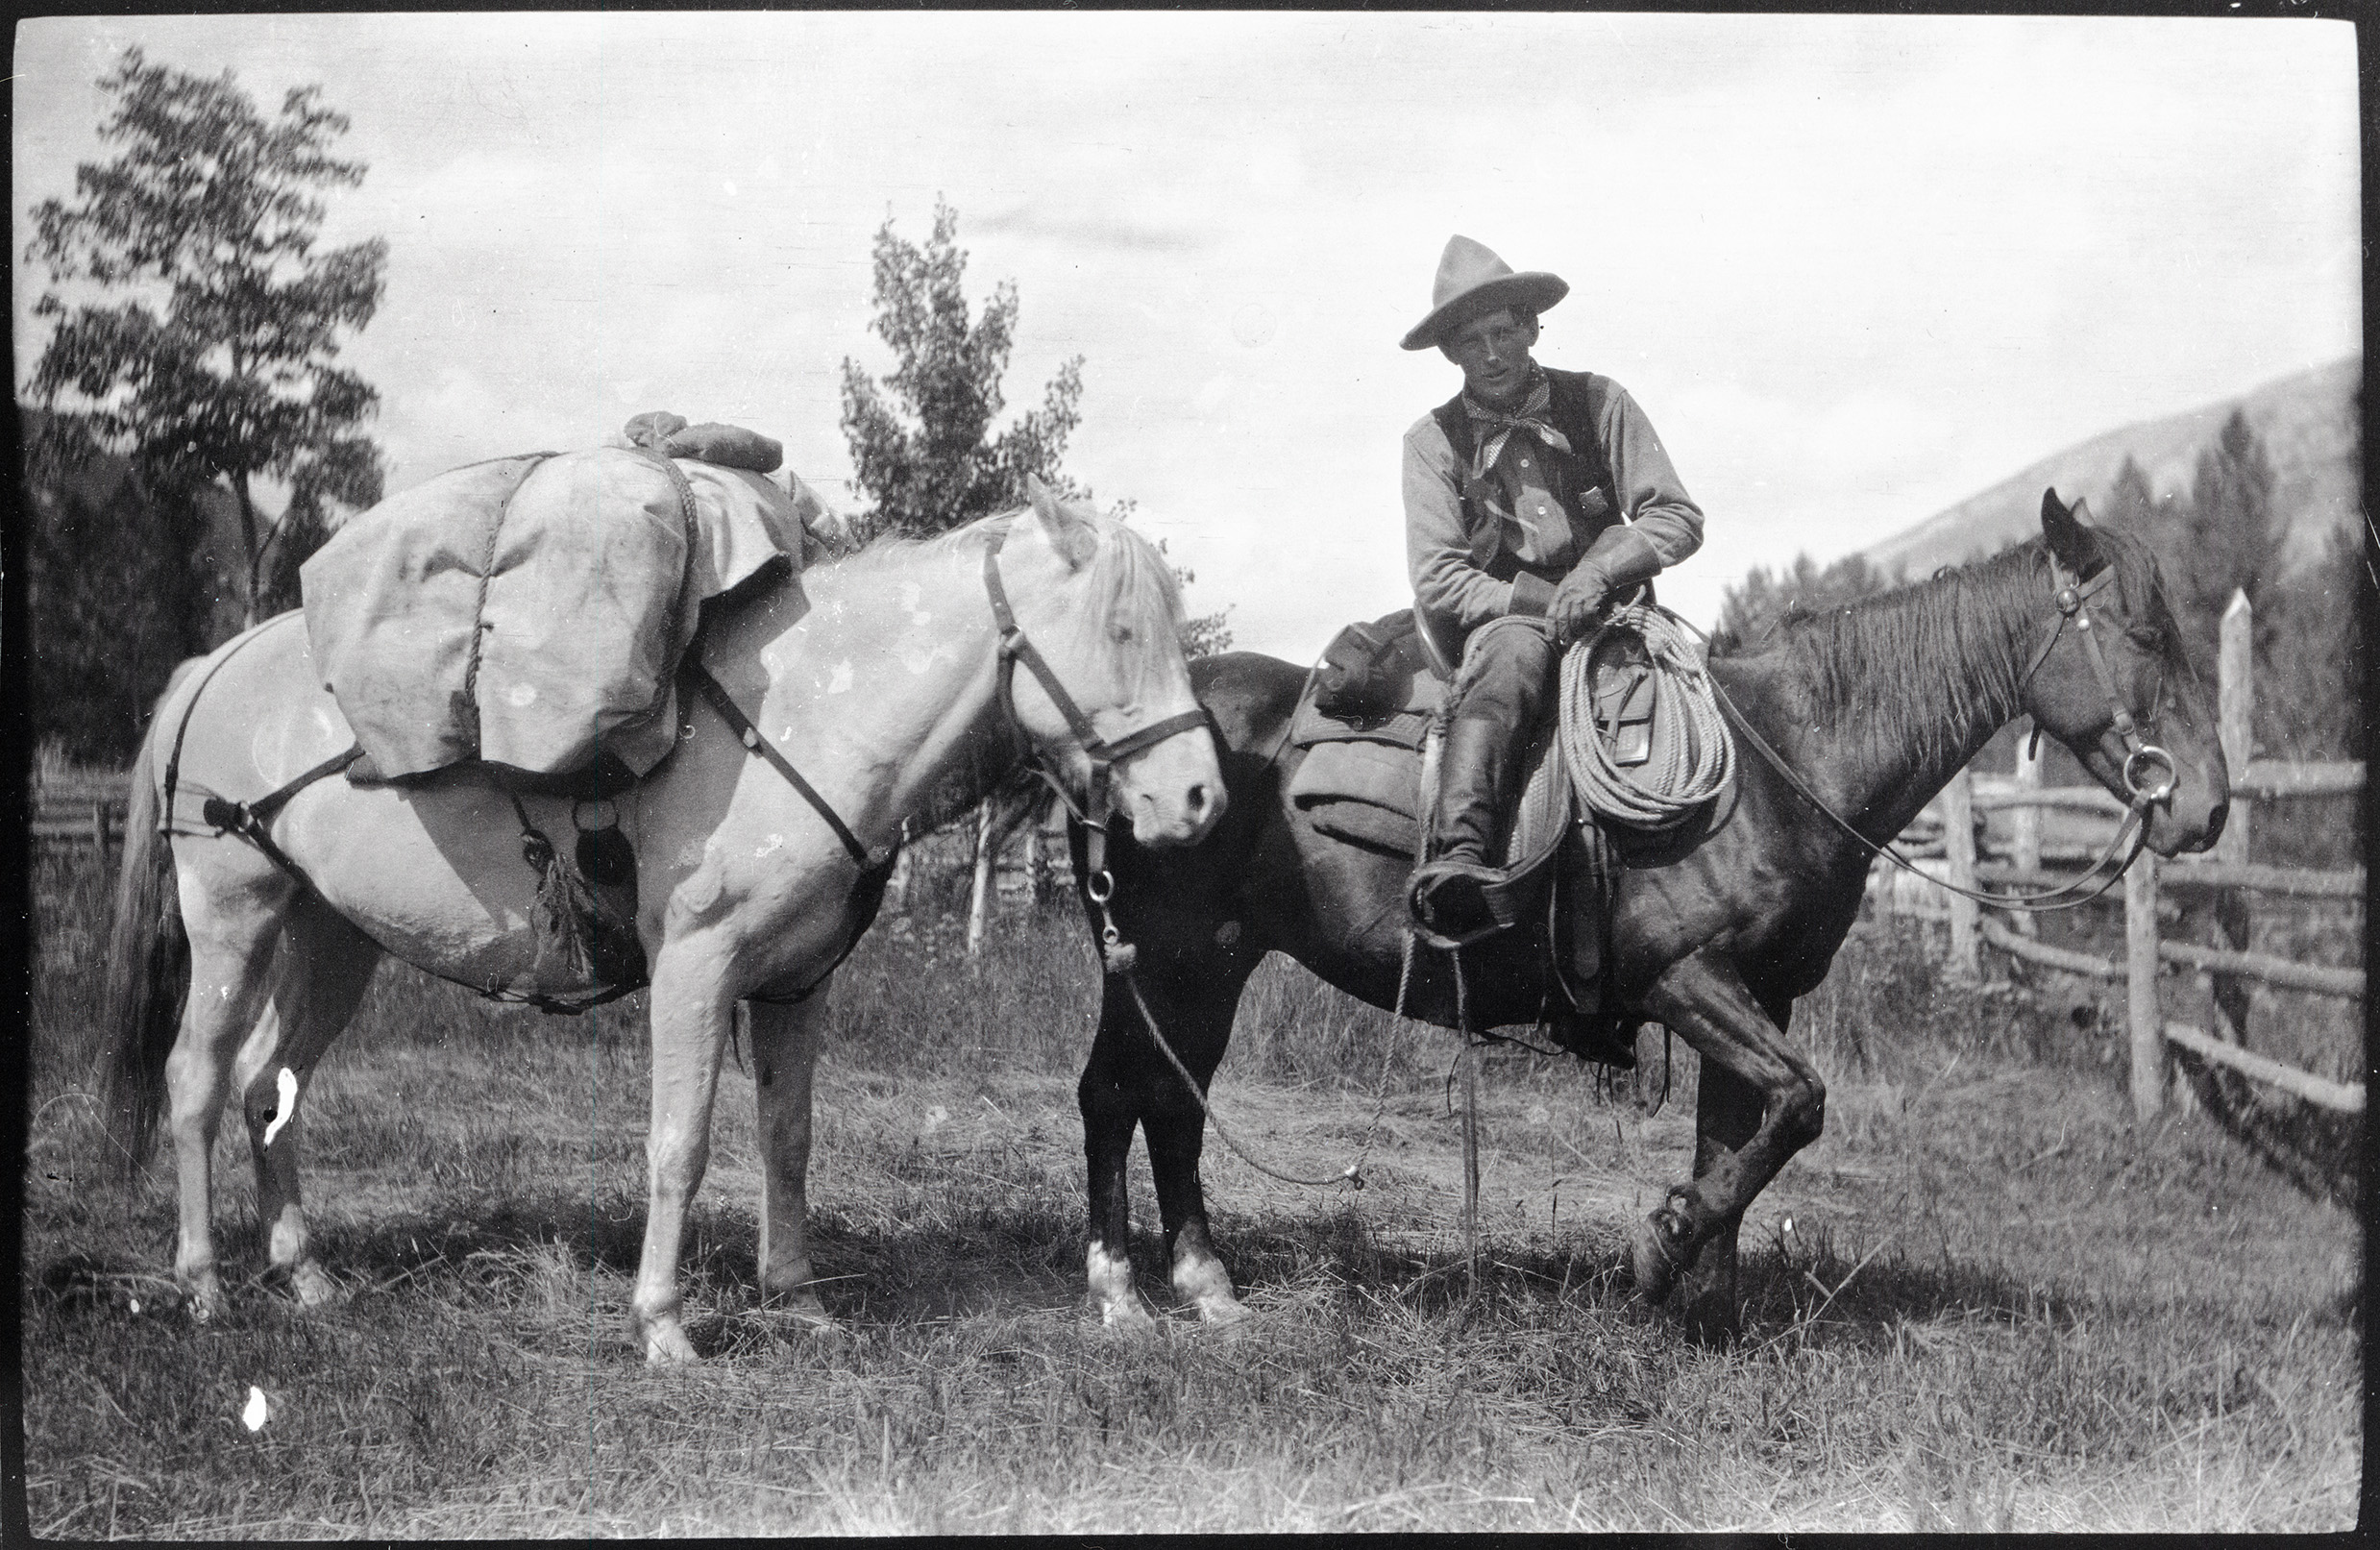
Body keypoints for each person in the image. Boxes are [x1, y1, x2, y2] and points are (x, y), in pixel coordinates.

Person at [1401, 234, 1705, 945]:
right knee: (1510, 668)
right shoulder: (1431, 442)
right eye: (1471, 341)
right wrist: (1542, 603)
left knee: (1694, 698)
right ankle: (1459, 859)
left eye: (1503, 331)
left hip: (1618, 611)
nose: (1492, 353)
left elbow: (1675, 516)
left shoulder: (1599, 401)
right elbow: (1438, 576)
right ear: (1450, 353)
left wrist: (1598, 571)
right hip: (1508, 623)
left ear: (1532, 327)